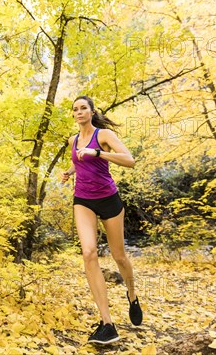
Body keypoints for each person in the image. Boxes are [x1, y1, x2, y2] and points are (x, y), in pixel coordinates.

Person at [60, 95, 142, 345]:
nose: (79, 112)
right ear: (73, 115)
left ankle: (132, 294)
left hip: (109, 200)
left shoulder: (104, 135)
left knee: (119, 256)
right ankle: (107, 324)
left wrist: (98, 153)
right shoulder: (73, 140)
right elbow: (80, 161)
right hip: (83, 200)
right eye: (75, 109)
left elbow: (130, 160)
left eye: (83, 107)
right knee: (88, 252)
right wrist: (70, 171)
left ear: (92, 111)